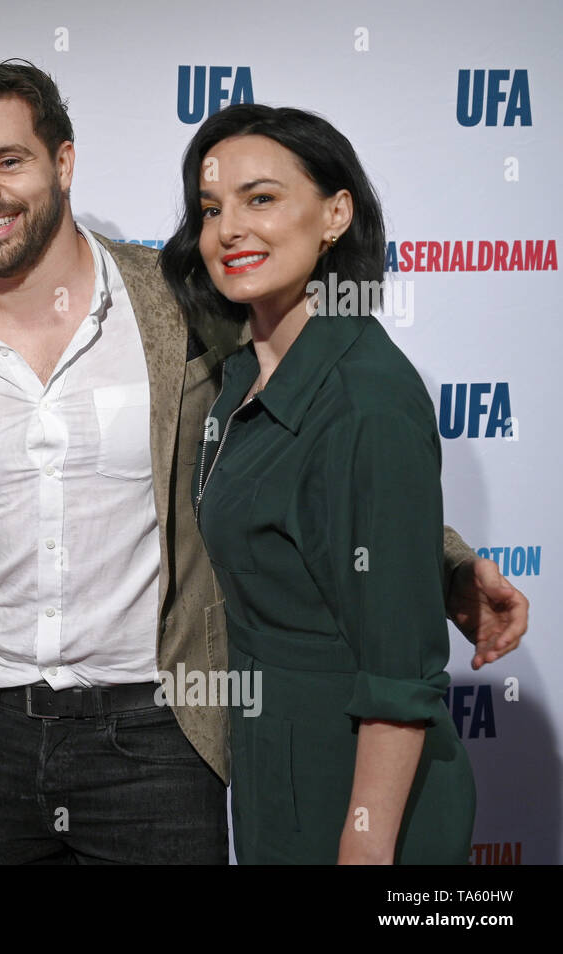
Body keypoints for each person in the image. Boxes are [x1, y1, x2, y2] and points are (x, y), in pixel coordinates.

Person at [0, 61, 529, 864]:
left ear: (62, 162)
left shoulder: (179, 301)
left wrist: (443, 561)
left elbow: (308, 428)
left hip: (159, 730)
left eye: (8, 161)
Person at [162, 103, 488, 863]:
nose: (230, 228)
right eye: (212, 209)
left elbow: (400, 675)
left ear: (336, 213)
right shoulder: (243, 367)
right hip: (280, 772)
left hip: (363, 794)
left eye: (262, 198)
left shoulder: (367, 397)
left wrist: (363, 845)